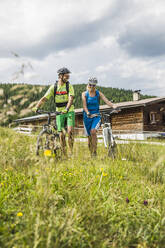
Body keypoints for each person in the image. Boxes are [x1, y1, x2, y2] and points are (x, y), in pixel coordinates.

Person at [33, 67, 75, 156]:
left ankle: (71, 152)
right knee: (61, 134)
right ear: (60, 76)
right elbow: (44, 98)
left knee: (70, 131)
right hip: (59, 111)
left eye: (68, 75)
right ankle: (64, 154)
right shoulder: (54, 87)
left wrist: (66, 109)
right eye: (66, 75)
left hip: (69, 110)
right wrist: (36, 107)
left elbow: (71, 99)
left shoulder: (69, 86)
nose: (68, 77)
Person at [82, 77, 117, 157]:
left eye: (93, 85)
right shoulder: (84, 94)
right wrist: (87, 112)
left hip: (96, 116)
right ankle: (91, 153)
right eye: (90, 85)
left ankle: (94, 152)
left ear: (95, 85)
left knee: (93, 132)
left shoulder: (98, 93)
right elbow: (84, 106)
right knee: (89, 138)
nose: (92, 87)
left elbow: (107, 102)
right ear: (88, 84)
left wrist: (114, 106)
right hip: (87, 117)